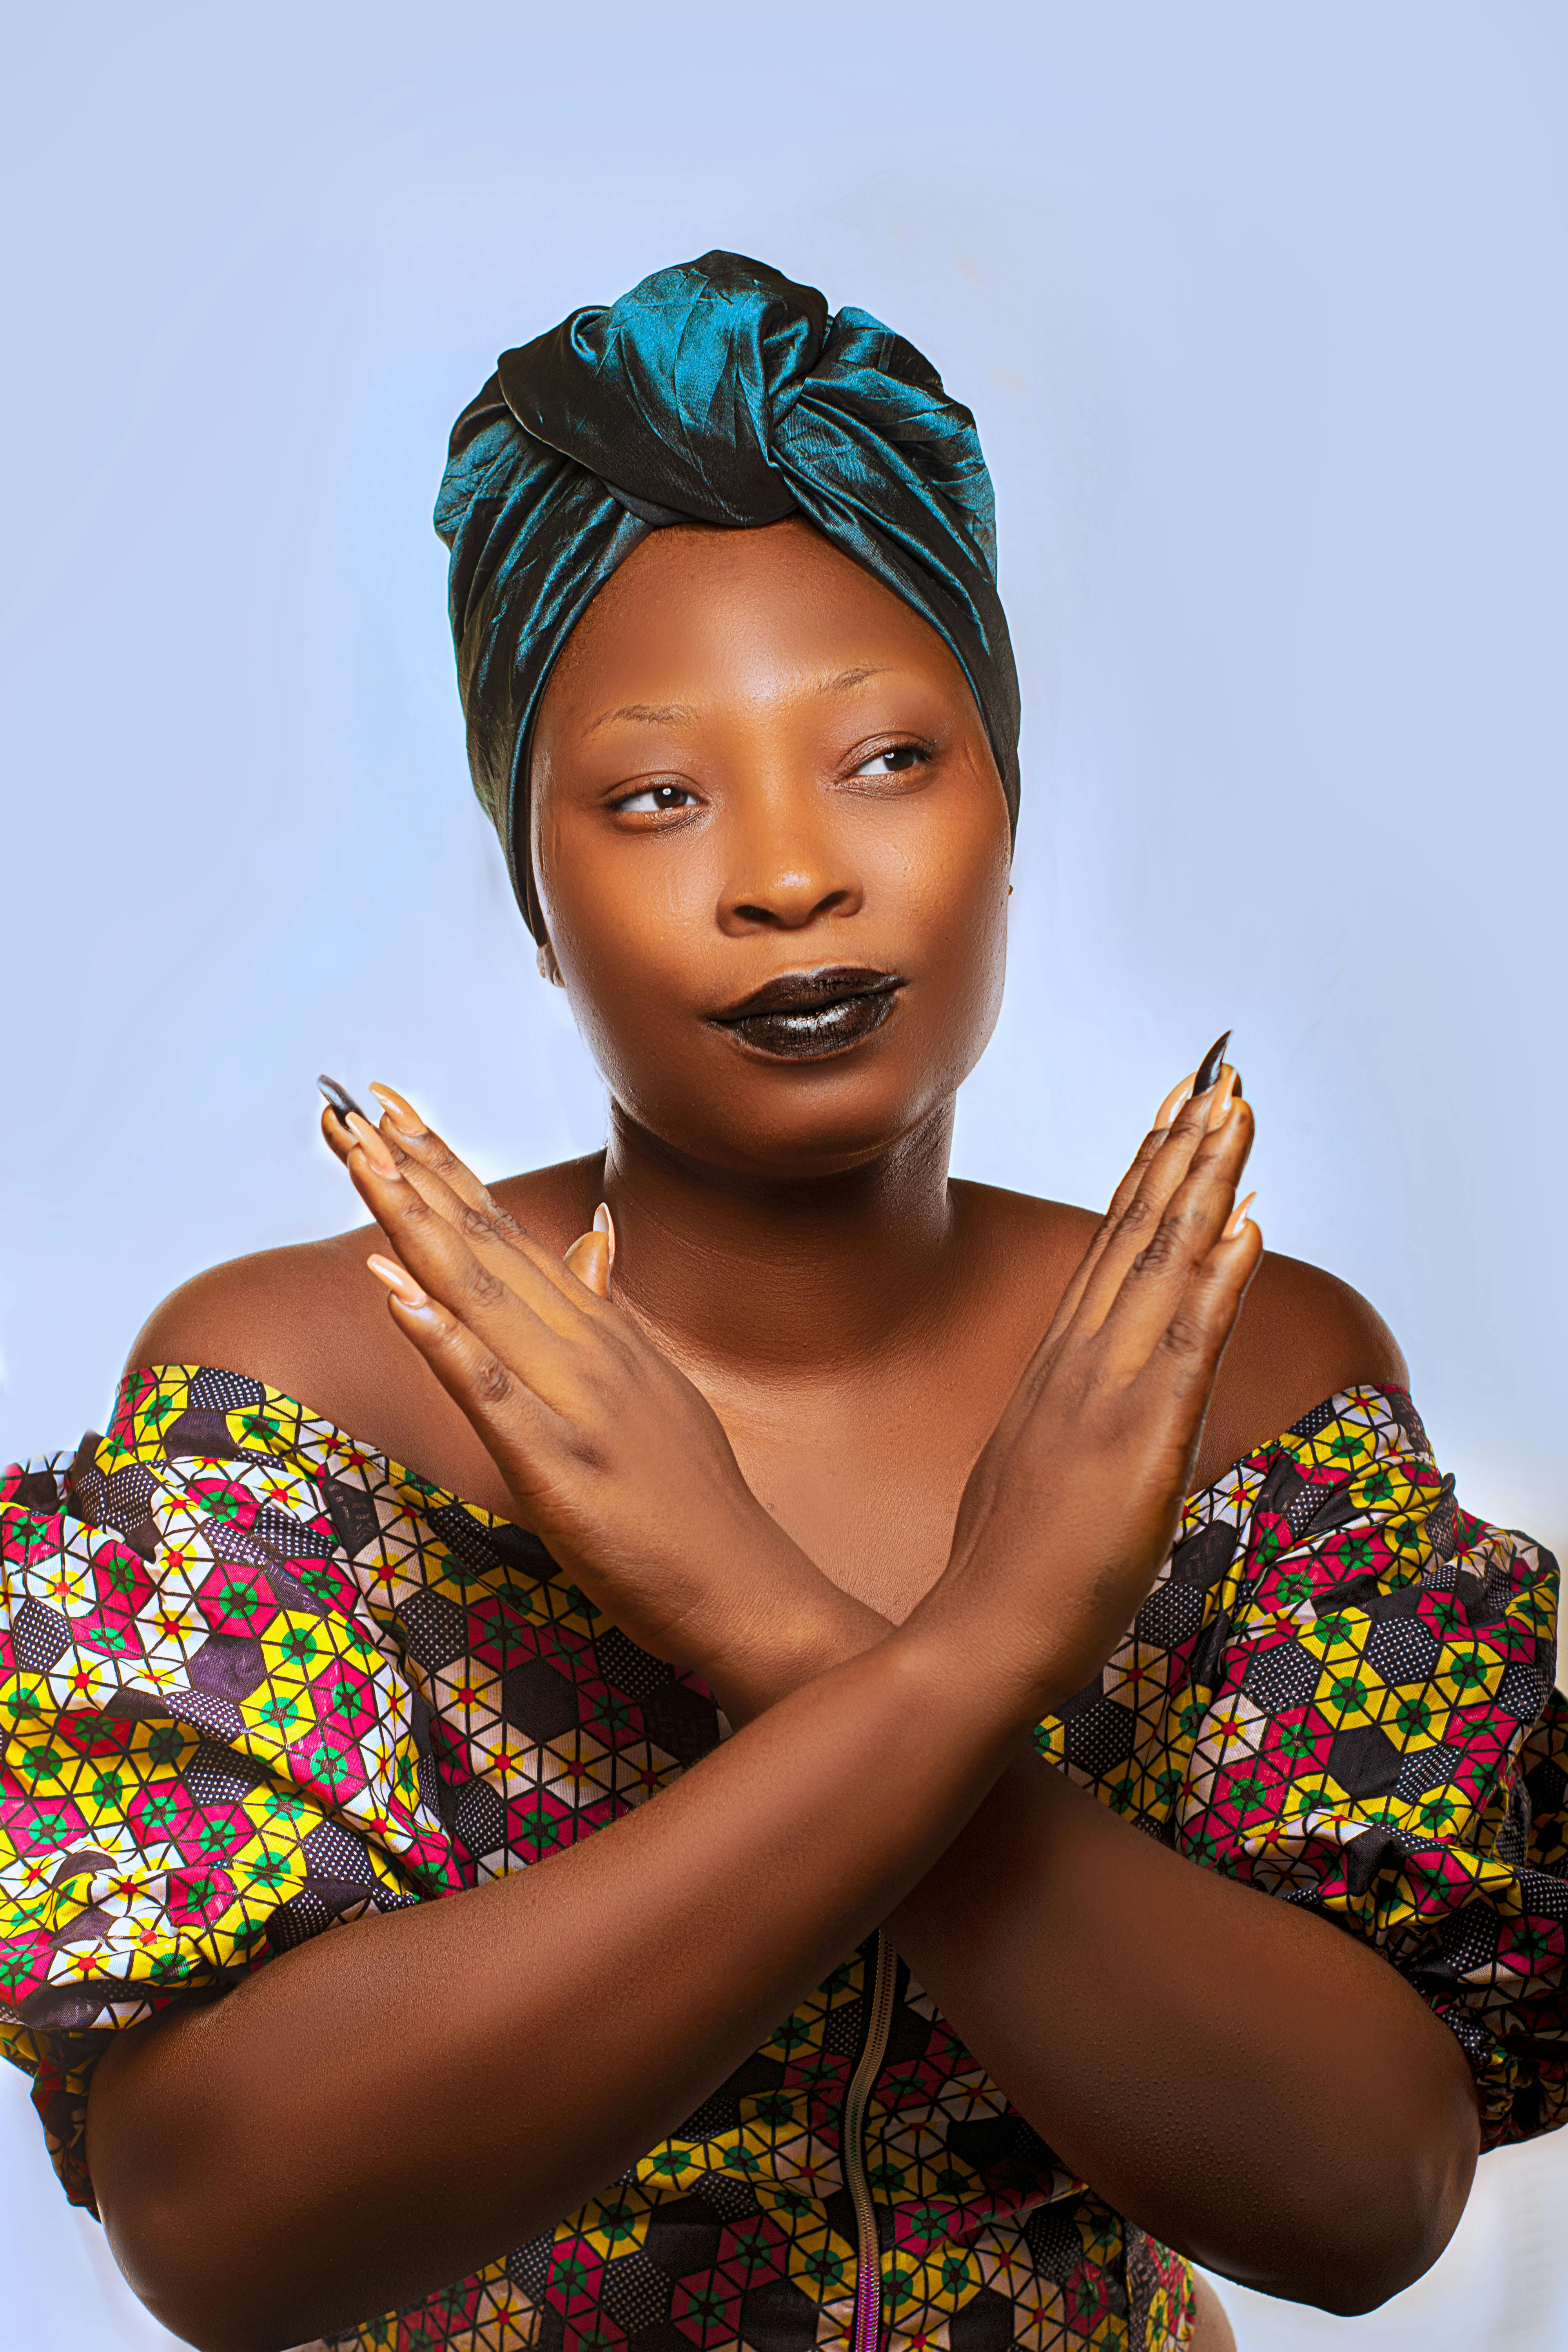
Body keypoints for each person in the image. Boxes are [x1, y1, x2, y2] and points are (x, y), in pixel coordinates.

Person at [2, 253, 1563, 2352]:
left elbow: (1366, 2193)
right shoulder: (304, 1394)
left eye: (889, 760)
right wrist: (981, 1653)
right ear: (533, 888)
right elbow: (227, 2230)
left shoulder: (1244, 1373)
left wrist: (763, 1618)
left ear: (1006, 808)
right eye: (657, 796)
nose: (790, 874)